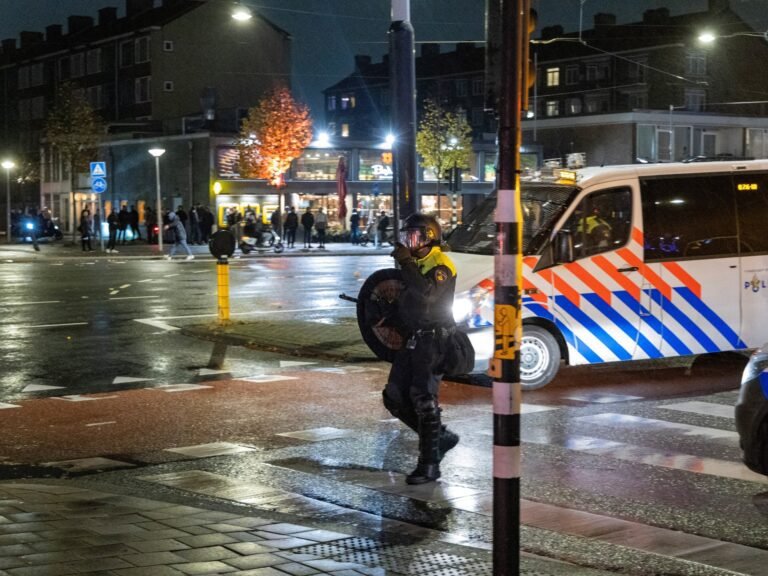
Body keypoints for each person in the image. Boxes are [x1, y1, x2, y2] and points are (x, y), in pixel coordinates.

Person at [382, 213, 459, 484]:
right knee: (394, 396)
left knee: (424, 400)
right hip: (413, 338)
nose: (408, 243)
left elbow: (427, 293)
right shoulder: (414, 263)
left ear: (429, 237)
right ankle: (441, 437)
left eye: (414, 236)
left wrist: (405, 262)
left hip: (434, 341)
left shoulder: (441, 264)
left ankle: (429, 465)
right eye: (406, 237)